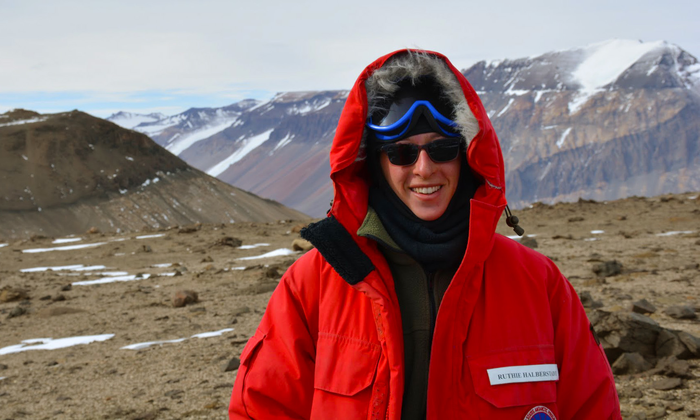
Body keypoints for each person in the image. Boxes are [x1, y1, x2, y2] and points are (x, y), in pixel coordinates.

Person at [229, 49, 621, 420]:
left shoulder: (538, 284)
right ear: (375, 164)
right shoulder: (314, 284)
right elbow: (263, 406)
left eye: (443, 149)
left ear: (467, 155)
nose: (423, 169)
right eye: (401, 153)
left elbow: (591, 406)